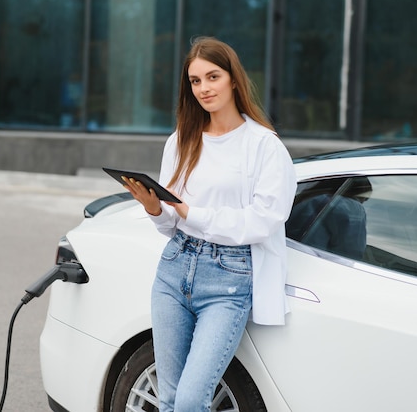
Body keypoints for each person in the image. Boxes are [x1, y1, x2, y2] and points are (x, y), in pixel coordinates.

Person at [123, 36, 296, 412]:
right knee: (167, 397)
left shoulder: (264, 146)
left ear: (233, 79)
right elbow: (171, 223)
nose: (203, 88)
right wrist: (156, 208)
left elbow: (263, 221)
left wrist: (189, 212)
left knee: (189, 400)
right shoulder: (181, 140)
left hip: (228, 280)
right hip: (174, 269)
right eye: (195, 81)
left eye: (212, 77)